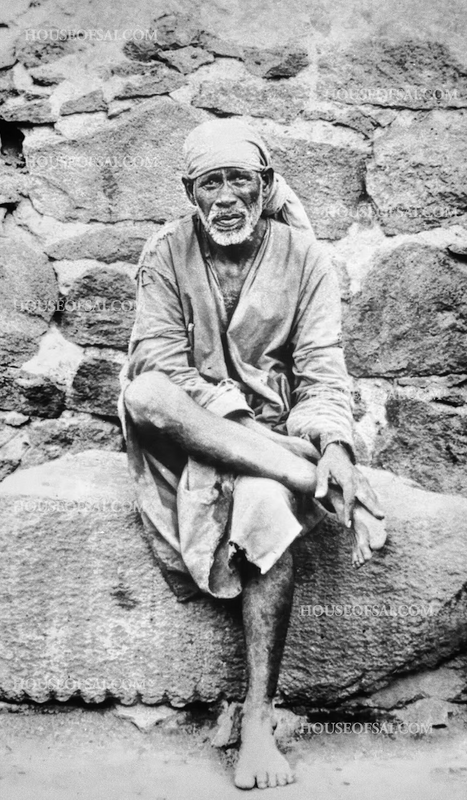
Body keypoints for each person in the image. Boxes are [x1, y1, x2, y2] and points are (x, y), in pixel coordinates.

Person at [119, 118, 385, 790]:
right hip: (191, 434)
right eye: (212, 182)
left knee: (266, 503)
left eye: (241, 179)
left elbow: (323, 371)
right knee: (144, 392)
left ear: (265, 186)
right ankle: (296, 471)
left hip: (270, 432)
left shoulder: (306, 257)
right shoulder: (166, 252)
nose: (227, 196)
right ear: (190, 192)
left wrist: (334, 446)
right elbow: (158, 364)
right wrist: (288, 451)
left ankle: (259, 718)